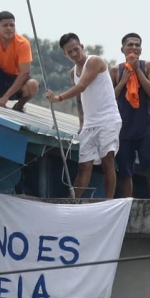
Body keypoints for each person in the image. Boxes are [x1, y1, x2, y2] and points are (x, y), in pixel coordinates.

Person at [46, 33, 121, 199]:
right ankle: (73, 200)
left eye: (76, 49)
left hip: (107, 119)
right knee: (84, 166)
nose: (74, 54)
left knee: (107, 162)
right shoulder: (73, 72)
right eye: (70, 52)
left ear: (82, 46)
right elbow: (80, 98)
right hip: (89, 123)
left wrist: (57, 98)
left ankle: (108, 201)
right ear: (65, 54)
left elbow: (81, 87)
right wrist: (82, 122)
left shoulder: (95, 61)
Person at [112, 33, 150, 199]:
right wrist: (123, 81)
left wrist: (137, 70)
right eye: (130, 45)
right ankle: (127, 201)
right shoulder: (115, 70)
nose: (134, 48)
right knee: (125, 169)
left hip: (146, 124)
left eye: (137, 45)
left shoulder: (148, 66)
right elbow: (111, 98)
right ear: (123, 49)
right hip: (124, 125)